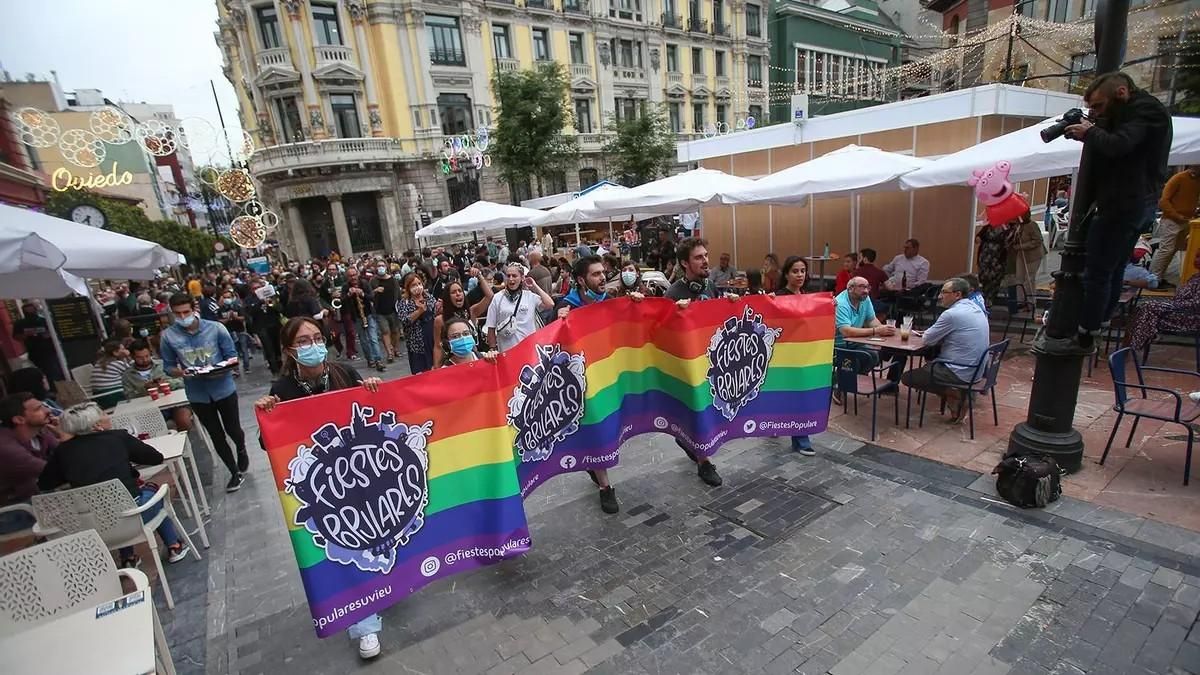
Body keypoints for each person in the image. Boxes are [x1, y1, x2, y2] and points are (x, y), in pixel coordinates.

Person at [253, 317, 383, 658]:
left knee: (374, 536)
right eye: (303, 341)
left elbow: (375, 416)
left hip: (361, 473)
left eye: (316, 338)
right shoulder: (282, 390)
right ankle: (365, 624)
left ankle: (381, 590)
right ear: (290, 351)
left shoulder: (344, 373)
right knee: (347, 545)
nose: (313, 345)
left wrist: (371, 389)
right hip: (323, 488)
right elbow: (269, 444)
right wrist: (269, 414)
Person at [1064, 72, 1172, 345]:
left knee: (1098, 271)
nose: (1096, 113)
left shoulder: (1144, 113)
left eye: (1099, 106)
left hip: (1125, 202)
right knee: (1111, 269)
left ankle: (1086, 331)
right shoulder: (1138, 112)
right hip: (1131, 201)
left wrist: (1090, 132)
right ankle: (1096, 323)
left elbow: (1119, 144)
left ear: (1121, 93)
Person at [38, 402, 190, 567]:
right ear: (96, 424)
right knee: (151, 491)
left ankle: (128, 558)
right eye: (103, 414)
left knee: (111, 503)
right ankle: (173, 545)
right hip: (134, 518)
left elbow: (45, 483)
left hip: (92, 526)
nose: (107, 416)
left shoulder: (62, 451)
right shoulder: (118, 437)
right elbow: (155, 458)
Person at [556, 256, 644, 513]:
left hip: (611, 374)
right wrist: (558, 319)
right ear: (581, 280)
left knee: (611, 424)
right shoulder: (567, 306)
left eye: (603, 273)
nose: (602, 277)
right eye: (595, 275)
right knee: (596, 427)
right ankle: (605, 487)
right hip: (584, 380)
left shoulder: (612, 300)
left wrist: (636, 306)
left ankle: (595, 467)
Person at [159, 293, 247, 493]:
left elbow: (232, 356)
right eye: (178, 314)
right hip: (197, 392)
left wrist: (221, 367)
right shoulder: (169, 336)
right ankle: (233, 472)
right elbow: (168, 366)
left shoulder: (215, 328)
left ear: (194, 309)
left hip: (223, 387)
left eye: (186, 312)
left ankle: (241, 448)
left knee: (233, 429)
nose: (183, 317)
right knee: (216, 434)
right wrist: (180, 372)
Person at [664, 237, 730, 488]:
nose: (705, 260)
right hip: (686, 366)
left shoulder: (711, 286)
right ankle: (704, 462)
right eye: (698, 257)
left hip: (709, 362)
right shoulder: (673, 293)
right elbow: (664, 333)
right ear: (684, 263)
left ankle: (689, 440)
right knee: (697, 410)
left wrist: (730, 306)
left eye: (705, 255)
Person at [900, 278, 990, 422]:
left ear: (957, 294)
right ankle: (956, 394)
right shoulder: (976, 308)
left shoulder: (952, 314)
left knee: (908, 377)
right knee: (929, 364)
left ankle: (953, 393)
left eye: (944, 292)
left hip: (958, 371)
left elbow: (927, 340)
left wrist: (930, 334)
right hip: (977, 370)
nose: (940, 296)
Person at [0, 393, 60, 534]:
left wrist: (63, 435)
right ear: (19, 419)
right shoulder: (5, 448)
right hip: (13, 512)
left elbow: (63, 455)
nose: (48, 410)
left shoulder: (40, 431)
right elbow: (56, 470)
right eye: (39, 409)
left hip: (37, 498)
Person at [774, 257, 815, 456]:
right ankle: (797, 437)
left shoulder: (808, 296)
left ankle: (799, 437)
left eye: (803, 271)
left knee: (800, 395)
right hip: (784, 355)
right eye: (795, 271)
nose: (800, 275)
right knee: (787, 394)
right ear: (786, 274)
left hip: (803, 355)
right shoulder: (779, 296)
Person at [1125, 249, 1200, 352]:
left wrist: (1172, 305)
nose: (1196, 260)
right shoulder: (1195, 277)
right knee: (1140, 310)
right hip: (1177, 311)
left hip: (1189, 318)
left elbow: (1195, 304)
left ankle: (1136, 344)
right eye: (1196, 257)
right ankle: (1137, 342)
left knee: (1149, 307)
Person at [122, 340, 192, 431]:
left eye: (147, 356)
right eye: (140, 358)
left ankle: (186, 443)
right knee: (151, 428)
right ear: (133, 357)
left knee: (183, 420)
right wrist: (144, 389)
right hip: (148, 409)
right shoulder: (128, 375)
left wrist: (167, 383)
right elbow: (128, 397)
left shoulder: (163, 364)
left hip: (175, 404)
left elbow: (183, 381)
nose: (144, 360)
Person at [485, 263, 555, 353]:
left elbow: (550, 304)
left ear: (522, 278)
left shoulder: (530, 296)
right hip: (507, 352)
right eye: (508, 276)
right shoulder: (497, 298)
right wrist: (493, 349)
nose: (511, 279)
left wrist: (535, 286)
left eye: (514, 276)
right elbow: (491, 327)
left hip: (529, 351)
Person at [1149, 166, 1200, 286]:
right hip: (1171, 220)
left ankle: (1160, 277)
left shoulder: (1197, 181)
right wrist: (1176, 215)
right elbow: (1163, 201)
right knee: (1166, 250)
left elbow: (1192, 198)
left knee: (1173, 250)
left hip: (1186, 220)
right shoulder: (1178, 178)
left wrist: (1194, 211)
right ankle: (1152, 279)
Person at [433, 273, 491, 367]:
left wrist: (479, 276)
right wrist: (436, 368)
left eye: (460, 291)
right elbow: (437, 346)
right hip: (455, 364)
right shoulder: (440, 320)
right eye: (453, 292)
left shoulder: (471, 312)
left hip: (474, 359)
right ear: (447, 297)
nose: (458, 294)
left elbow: (489, 296)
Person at [342, 267, 386, 372]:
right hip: (356, 316)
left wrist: (362, 294)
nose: (353, 277)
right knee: (363, 340)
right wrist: (349, 294)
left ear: (357, 274)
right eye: (350, 276)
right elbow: (342, 301)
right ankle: (370, 359)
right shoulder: (345, 287)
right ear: (347, 277)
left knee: (373, 338)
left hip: (368, 314)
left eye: (354, 275)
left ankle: (378, 360)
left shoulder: (364, 283)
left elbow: (371, 297)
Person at [11, 301, 63, 382]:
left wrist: (48, 334)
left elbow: (56, 332)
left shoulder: (44, 320)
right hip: (33, 351)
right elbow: (16, 336)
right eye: (27, 311)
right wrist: (26, 335)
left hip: (48, 350)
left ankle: (57, 385)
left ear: (35, 310)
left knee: (53, 369)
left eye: (32, 310)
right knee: (43, 371)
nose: (30, 312)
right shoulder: (20, 323)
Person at [397, 274, 438, 375]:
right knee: (422, 372)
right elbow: (404, 320)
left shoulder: (429, 297)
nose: (417, 287)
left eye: (419, 283)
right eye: (414, 285)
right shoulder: (404, 303)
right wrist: (419, 311)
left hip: (432, 339)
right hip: (417, 344)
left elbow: (435, 312)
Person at [1007, 210, 1046, 308]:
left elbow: (1038, 240)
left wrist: (1022, 246)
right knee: (1019, 278)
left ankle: (1031, 302)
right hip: (1021, 254)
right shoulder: (1018, 225)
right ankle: (1021, 301)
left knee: (1029, 279)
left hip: (1033, 256)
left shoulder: (1032, 225)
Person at [218, 288, 252, 374]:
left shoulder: (238, 307)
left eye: (228, 297)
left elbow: (244, 318)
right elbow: (219, 321)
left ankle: (246, 367)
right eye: (225, 297)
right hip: (228, 332)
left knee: (244, 349)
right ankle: (235, 369)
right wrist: (227, 318)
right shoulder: (221, 309)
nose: (227, 299)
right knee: (233, 351)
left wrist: (236, 317)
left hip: (240, 330)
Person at [975, 223, 1011, 304]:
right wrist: (978, 238)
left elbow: (1009, 241)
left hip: (998, 256)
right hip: (985, 255)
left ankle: (990, 297)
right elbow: (979, 237)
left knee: (995, 276)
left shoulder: (1008, 228)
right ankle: (985, 296)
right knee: (984, 276)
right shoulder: (987, 227)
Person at [373, 263, 402, 363]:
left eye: (382, 265)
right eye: (379, 265)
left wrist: (400, 305)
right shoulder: (374, 280)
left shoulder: (392, 279)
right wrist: (375, 291)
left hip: (393, 310)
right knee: (385, 332)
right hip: (380, 311)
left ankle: (395, 348)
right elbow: (369, 294)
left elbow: (398, 293)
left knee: (395, 331)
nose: (380, 267)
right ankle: (389, 353)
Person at [91, 338, 131, 408]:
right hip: (113, 396)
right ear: (115, 352)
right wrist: (128, 356)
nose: (125, 351)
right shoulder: (117, 363)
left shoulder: (99, 363)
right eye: (123, 349)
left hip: (98, 398)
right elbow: (133, 373)